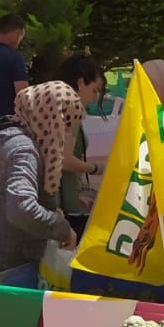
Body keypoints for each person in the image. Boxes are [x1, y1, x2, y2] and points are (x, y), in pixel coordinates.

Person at [0, 81, 83, 283]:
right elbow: (21, 208)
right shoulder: (23, 150)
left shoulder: (0, 135)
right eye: (64, 125)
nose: (65, 137)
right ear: (51, 120)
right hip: (2, 273)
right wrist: (61, 228)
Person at [55, 55, 109, 235]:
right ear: (80, 83)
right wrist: (97, 168)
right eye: (95, 90)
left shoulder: (54, 105)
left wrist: (77, 193)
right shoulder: (71, 109)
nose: (95, 98)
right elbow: (65, 160)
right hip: (59, 204)